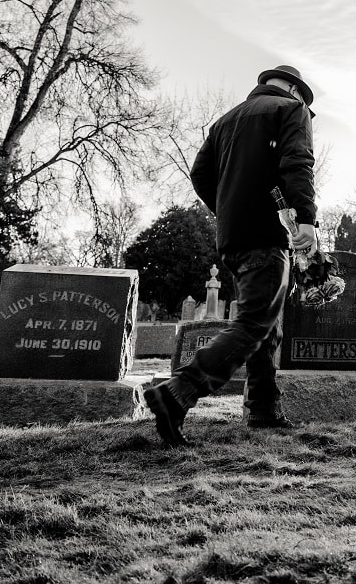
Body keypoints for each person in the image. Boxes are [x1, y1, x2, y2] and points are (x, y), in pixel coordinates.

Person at [143, 65, 318, 448]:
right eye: (302, 95)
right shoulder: (290, 110)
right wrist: (305, 219)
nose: (303, 102)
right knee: (256, 321)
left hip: (233, 237)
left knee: (264, 323)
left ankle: (262, 408)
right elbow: (297, 162)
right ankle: (178, 392)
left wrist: (228, 211)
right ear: (292, 88)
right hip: (267, 234)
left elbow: (201, 176)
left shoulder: (224, 121)